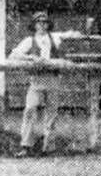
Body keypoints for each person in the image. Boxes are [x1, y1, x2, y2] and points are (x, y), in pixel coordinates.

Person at [9, 11, 67, 157]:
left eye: (45, 22)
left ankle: (49, 147)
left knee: (52, 114)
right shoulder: (29, 41)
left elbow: (72, 36)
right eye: (39, 22)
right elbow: (14, 55)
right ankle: (26, 146)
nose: (42, 25)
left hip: (53, 79)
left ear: (48, 25)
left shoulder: (55, 38)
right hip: (37, 80)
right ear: (34, 25)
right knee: (30, 109)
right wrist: (30, 57)